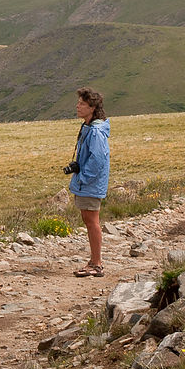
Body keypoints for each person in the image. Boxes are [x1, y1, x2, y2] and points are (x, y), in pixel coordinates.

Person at [67, 86, 110, 277]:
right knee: (89, 219)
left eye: (82, 104)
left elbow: (98, 159)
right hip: (88, 183)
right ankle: (94, 261)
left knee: (92, 221)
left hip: (90, 183)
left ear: (92, 108)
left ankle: (96, 264)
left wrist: (83, 177)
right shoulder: (91, 128)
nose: (78, 107)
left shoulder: (95, 131)